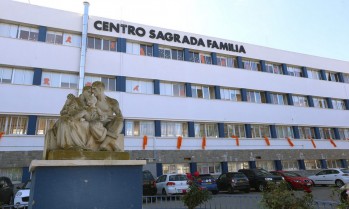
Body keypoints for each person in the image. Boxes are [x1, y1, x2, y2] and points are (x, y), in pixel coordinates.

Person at [91, 81, 123, 151]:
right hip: (98, 123)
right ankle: (112, 144)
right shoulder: (92, 101)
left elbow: (119, 116)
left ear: (100, 89)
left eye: (94, 89)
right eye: (92, 89)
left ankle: (104, 145)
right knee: (92, 125)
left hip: (110, 124)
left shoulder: (112, 101)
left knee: (119, 121)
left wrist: (107, 116)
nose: (92, 91)